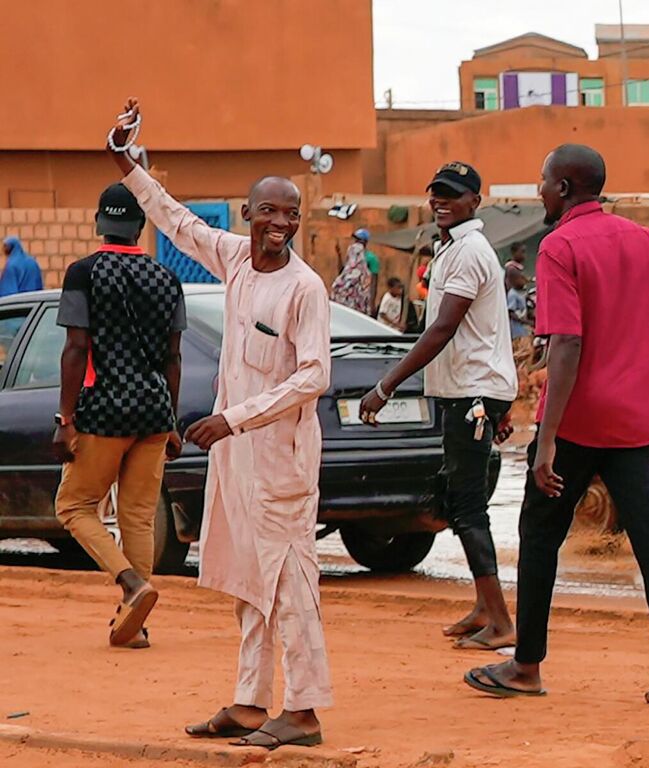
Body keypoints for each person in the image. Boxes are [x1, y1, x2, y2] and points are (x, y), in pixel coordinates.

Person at [111, 99, 334, 750]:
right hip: (237, 463)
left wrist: (233, 419)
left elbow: (314, 376)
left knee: (290, 581)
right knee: (246, 580)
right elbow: (175, 221)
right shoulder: (234, 258)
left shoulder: (305, 288)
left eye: (290, 214)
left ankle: (306, 710)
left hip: (280, 462)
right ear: (249, 215)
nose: (280, 223)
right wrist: (127, 163)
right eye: (269, 211)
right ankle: (249, 701)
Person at [462, 144, 649, 708]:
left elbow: (568, 343)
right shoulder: (642, 240)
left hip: (577, 420)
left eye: (544, 181)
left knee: (540, 535)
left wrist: (545, 439)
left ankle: (526, 667)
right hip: (635, 421)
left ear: (566, 188)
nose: (539, 191)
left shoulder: (560, 246)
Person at [358, 161, 519, 651]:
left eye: (452, 194)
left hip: (471, 393)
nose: (440, 201)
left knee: (468, 507)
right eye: (436, 193)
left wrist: (386, 385)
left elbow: (444, 328)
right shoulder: (452, 248)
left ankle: (501, 621)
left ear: (475, 201)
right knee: (456, 498)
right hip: (468, 391)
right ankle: (484, 607)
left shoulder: (468, 251)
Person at [51, 181, 186, 650]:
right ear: (140, 228)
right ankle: (137, 625)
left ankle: (130, 584)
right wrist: (169, 420)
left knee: (73, 506)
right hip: (153, 412)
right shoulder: (167, 279)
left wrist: (65, 417)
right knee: (138, 517)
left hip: (104, 409)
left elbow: (75, 346)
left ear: (98, 224)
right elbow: (174, 357)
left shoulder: (83, 273)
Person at [330, 231, 373, 316]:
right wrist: (339, 255)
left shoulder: (370, 258)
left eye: (358, 240)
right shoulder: (351, 254)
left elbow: (372, 280)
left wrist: (372, 302)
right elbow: (344, 271)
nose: (355, 242)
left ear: (365, 242)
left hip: (359, 301)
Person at [505, 262, 533, 354]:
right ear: (513, 280)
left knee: (528, 351)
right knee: (523, 352)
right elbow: (511, 312)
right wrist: (526, 322)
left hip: (524, 330)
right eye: (520, 278)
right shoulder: (512, 295)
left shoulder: (521, 292)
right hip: (518, 331)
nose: (523, 280)